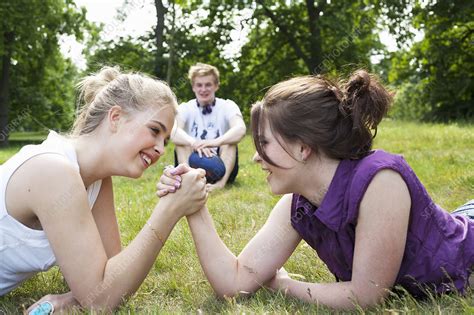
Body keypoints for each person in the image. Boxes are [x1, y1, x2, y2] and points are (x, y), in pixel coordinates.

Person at [158, 70, 474, 309]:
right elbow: (235, 283)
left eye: (265, 142)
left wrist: (284, 285)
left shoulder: (380, 180)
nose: (256, 156)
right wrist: (195, 207)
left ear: (303, 147)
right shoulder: (297, 205)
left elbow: (367, 294)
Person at [0, 66, 208, 314]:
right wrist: (170, 209)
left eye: (165, 140)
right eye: (154, 130)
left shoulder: (96, 180)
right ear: (116, 117)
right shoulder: (53, 171)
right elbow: (100, 300)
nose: (161, 149)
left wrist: (71, 299)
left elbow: (110, 279)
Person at [171, 63, 246, 191]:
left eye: (208, 85)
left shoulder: (228, 105)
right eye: (199, 85)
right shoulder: (185, 107)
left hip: (221, 165)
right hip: (193, 161)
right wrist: (194, 143)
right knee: (181, 143)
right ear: (193, 87)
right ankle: (190, 182)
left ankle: (220, 185)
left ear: (216, 86)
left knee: (230, 143)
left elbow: (240, 129)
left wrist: (214, 142)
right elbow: (174, 132)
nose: (203, 89)